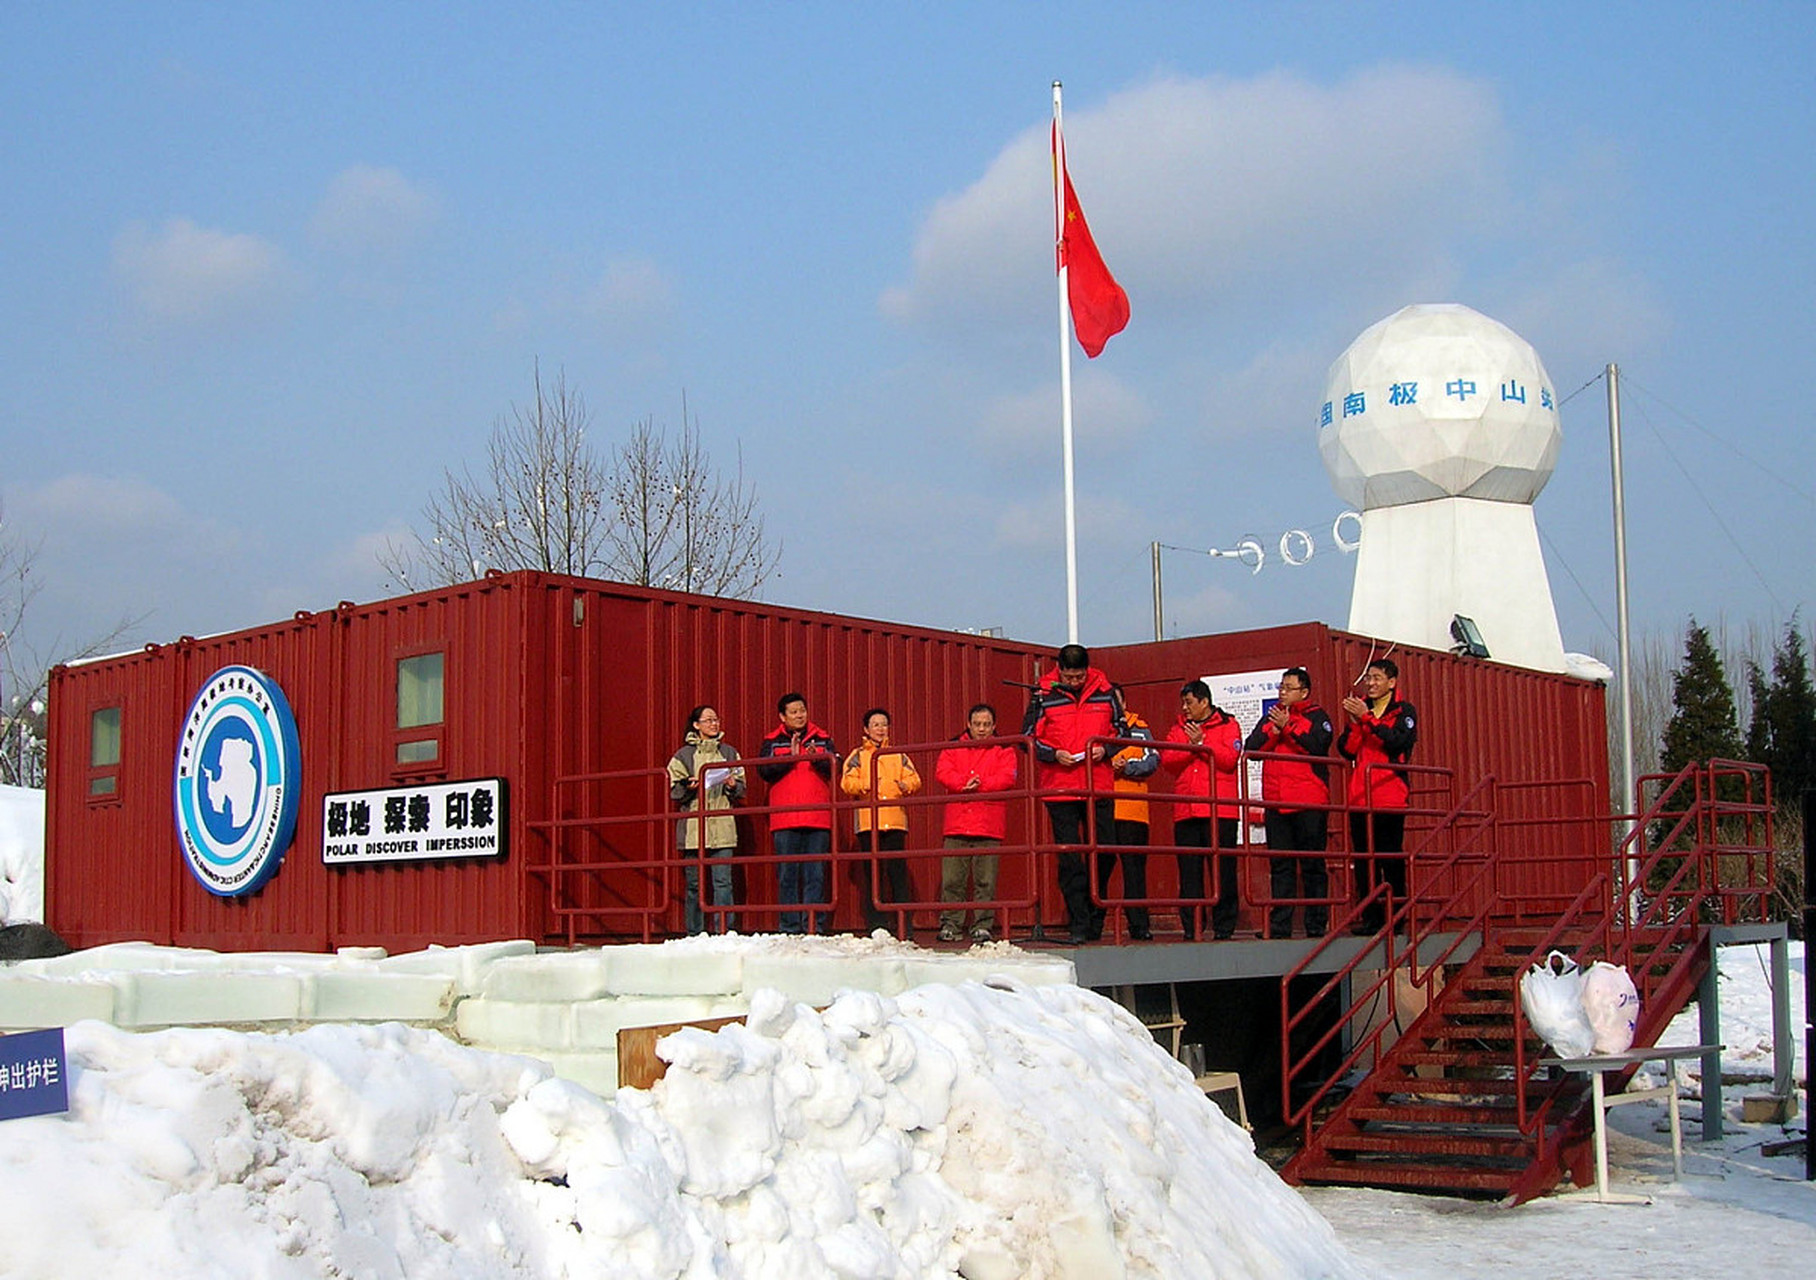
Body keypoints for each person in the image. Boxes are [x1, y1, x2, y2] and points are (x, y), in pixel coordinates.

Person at [1022, 643, 1128, 943]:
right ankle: (1079, 922)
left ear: (1087, 670)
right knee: (1070, 859)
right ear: (1059, 670)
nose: (1073, 682)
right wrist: (1053, 754)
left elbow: (1122, 730)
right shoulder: (1043, 693)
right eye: (1068, 677)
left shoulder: (1105, 690)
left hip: (1099, 784)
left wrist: (1104, 748)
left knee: (1106, 851)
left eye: (1078, 677)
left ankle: (1097, 913)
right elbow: (1026, 737)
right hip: (1060, 786)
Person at [1242, 668, 1335, 939]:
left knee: (1312, 865)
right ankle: (1280, 925)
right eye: (1281, 687)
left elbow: (1318, 745)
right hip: (1277, 802)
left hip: (1309, 802)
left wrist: (1289, 728)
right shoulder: (1272, 716)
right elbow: (1252, 749)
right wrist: (1275, 729)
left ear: (1303, 692)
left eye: (1288, 687)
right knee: (1280, 866)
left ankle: (1316, 925)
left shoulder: (1317, 716)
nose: (1282, 692)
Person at [1338, 658, 1419, 934]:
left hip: (1389, 795)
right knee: (1364, 860)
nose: (1370, 684)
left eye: (1376, 678)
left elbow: (1398, 741)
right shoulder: (1364, 710)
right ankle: (1371, 917)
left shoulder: (1403, 711)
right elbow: (1347, 750)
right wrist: (1355, 723)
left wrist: (1366, 719)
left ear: (1392, 682)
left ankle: (1396, 917)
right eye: (1368, 678)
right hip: (1360, 796)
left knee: (1389, 857)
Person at [1163, 680, 1246, 940]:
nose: (1185, 708)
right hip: (1186, 810)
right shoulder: (1179, 727)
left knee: (1222, 872)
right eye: (1183, 703)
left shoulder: (1227, 724)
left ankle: (1224, 927)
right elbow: (1168, 759)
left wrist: (1202, 743)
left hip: (1219, 810)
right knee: (1189, 873)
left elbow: (1229, 760)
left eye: (1189, 702)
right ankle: (1193, 927)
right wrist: (1193, 748)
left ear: (1204, 702)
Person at [935, 703, 1018, 943]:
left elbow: (1008, 777)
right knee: (952, 880)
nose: (982, 729)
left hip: (988, 823)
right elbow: (942, 772)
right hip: (957, 823)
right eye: (977, 724)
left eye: (987, 725)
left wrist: (977, 784)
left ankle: (982, 925)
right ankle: (951, 924)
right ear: (969, 724)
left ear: (994, 726)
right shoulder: (953, 747)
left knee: (986, 880)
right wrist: (963, 782)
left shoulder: (1004, 749)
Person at [756, 692, 837, 934]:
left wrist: (818, 759)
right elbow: (764, 771)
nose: (799, 715)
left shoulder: (823, 738)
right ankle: (789, 927)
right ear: (782, 716)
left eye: (802, 710)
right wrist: (789, 759)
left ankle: (813, 926)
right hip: (785, 818)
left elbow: (836, 767)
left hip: (817, 817)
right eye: (793, 711)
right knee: (787, 875)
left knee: (816, 875)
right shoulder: (772, 741)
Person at [841, 707, 922, 936]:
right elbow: (846, 782)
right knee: (873, 876)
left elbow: (915, 778)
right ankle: (876, 926)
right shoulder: (857, 755)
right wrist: (863, 786)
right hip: (868, 824)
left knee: (898, 874)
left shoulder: (898, 754)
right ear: (866, 729)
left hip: (895, 821)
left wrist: (907, 786)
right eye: (875, 724)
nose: (880, 728)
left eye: (884, 724)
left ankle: (903, 926)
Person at [666, 705, 746, 935]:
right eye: (708, 720)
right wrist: (690, 787)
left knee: (723, 882)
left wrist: (732, 785)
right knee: (694, 885)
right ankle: (695, 932)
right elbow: (674, 790)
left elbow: (741, 787)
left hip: (723, 825)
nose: (714, 724)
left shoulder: (730, 753)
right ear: (696, 725)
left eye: (716, 719)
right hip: (694, 829)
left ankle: (725, 931)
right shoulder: (683, 756)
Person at [1105, 708, 1159, 940]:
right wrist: (1109, 767)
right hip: (1103, 808)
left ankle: (1139, 925)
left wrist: (1126, 767)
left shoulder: (1140, 729)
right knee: (1099, 869)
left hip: (1133, 810)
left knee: (1134, 871)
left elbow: (1153, 760)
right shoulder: (1098, 728)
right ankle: (1092, 924)